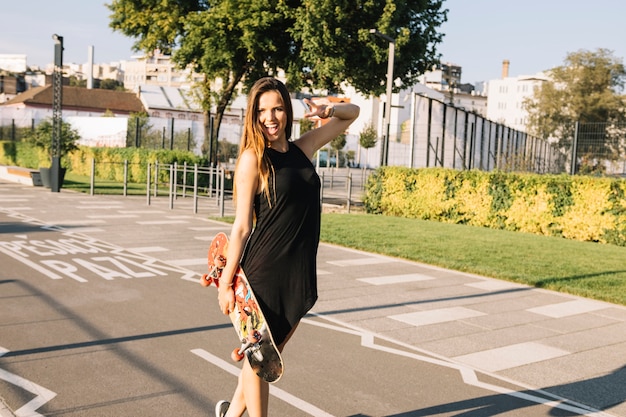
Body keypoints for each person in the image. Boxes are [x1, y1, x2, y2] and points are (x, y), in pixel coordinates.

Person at [214, 77, 359, 417]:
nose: (271, 117)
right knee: (261, 361)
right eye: (263, 110)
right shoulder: (253, 158)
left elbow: (352, 114)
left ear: (287, 111)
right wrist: (225, 284)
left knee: (263, 358)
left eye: (277, 108)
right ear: (253, 115)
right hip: (264, 274)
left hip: (297, 270)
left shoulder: (303, 148)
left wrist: (329, 109)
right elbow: (241, 227)